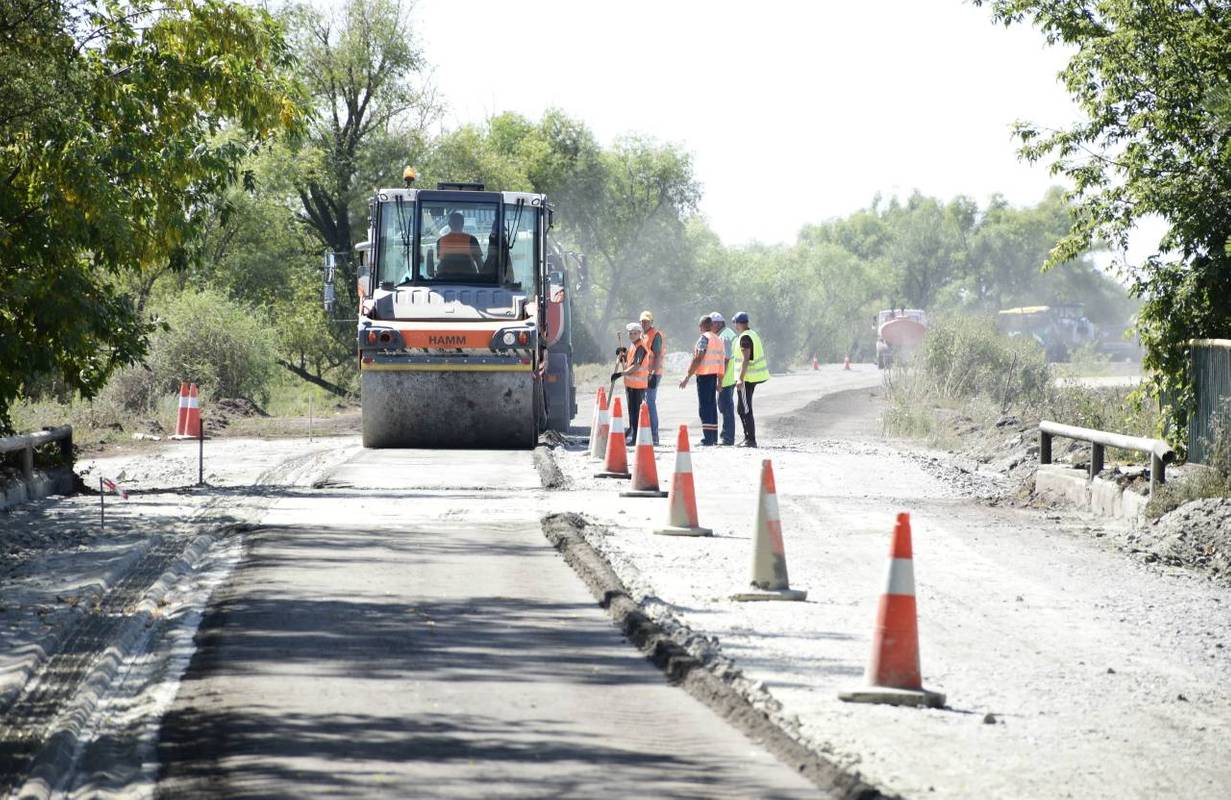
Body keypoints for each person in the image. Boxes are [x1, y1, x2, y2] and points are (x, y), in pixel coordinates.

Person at [678, 315, 725, 446]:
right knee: (711, 407)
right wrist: (720, 381)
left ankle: (707, 439)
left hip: (704, 376)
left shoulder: (704, 338)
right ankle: (713, 437)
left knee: (704, 408)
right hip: (713, 376)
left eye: (699, 326)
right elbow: (722, 362)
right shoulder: (718, 340)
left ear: (702, 326)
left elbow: (698, 358)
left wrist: (687, 376)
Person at [732, 311, 769, 447]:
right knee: (743, 408)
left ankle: (750, 439)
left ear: (738, 323)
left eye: (735, 323)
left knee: (744, 409)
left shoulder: (745, 338)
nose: (734, 325)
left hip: (747, 379)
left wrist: (740, 379)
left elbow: (746, 359)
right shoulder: (752, 334)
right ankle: (748, 438)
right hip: (750, 378)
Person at [612, 322, 649, 442]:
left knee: (636, 413)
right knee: (632, 412)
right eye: (630, 333)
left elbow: (636, 366)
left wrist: (620, 374)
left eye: (635, 333)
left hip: (638, 386)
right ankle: (633, 434)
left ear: (639, 334)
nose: (632, 335)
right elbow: (627, 363)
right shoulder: (633, 346)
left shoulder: (641, 348)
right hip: (630, 385)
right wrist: (622, 355)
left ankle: (636, 439)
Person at [711, 312, 737, 445]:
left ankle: (728, 438)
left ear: (718, 323)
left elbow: (725, 360)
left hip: (727, 378)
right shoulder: (726, 333)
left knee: (726, 408)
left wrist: (720, 380)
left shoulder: (724, 337)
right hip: (730, 377)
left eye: (712, 323)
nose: (710, 326)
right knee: (724, 406)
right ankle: (727, 436)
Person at [639, 310, 665, 445]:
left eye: (646, 321)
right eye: (642, 321)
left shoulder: (655, 335)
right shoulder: (642, 335)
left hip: (653, 374)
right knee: (645, 403)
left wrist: (653, 373)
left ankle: (654, 436)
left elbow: (658, 355)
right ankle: (646, 433)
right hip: (644, 374)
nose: (644, 323)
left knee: (650, 402)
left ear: (651, 322)